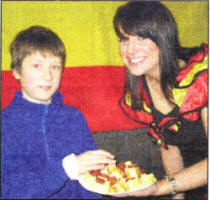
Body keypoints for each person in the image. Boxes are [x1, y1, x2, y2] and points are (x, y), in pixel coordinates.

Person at [1, 26, 116, 199]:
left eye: (55, 67)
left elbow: (91, 181)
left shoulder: (73, 118)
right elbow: (9, 191)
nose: (48, 76)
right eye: (37, 66)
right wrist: (66, 169)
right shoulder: (6, 124)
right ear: (17, 71)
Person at [113, 1, 208, 199]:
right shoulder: (143, 86)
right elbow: (170, 147)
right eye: (124, 39)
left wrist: (159, 188)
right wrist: (176, 196)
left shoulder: (201, 79)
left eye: (141, 37)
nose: (130, 50)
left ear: (162, 37)